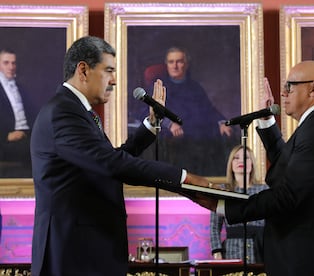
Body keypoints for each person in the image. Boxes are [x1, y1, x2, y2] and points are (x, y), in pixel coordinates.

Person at [29, 36, 211, 276]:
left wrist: (151, 125)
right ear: (83, 70)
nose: (114, 80)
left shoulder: (75, 110)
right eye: (108, 71)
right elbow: (111, 164)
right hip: (74, 254)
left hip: (87, 251)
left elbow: (107, 161)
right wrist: (183, 178)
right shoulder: (63, 112)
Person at [202, 61, 314, 275]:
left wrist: (226, 206)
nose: (283, 94)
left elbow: (287, 195)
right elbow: (289, 168)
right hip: (308, 259)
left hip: (313, 262)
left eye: (290, 86)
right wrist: (267, 121)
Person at [135, 46, 238, 176]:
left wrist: (221, 122)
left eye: (179, 61)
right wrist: (169, 124)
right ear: (166, 65)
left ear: (186, 64)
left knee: (227, 138)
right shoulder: (158, 87)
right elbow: (143, 111)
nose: (175, 66)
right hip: (172, 142)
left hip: (198, 140)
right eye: (171, 62)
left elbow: (209, 110)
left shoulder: (195, 87)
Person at [210, 145, 268, 264]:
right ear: (231, 164)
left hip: (262, 249)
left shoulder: (264, 190)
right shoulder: (222, 191)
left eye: (246, 158)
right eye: (236, 158)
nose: (241, 161)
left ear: (252, 164)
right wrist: (217, 252)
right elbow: (214, 226)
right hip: (232, 249)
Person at [0, 48, 33, 177]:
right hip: (6, 141)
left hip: (26, 134)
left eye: (13, 63)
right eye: (6, 63)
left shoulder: (20, 87)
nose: (11, 67)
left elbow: (32, 114)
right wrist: (6, 136)